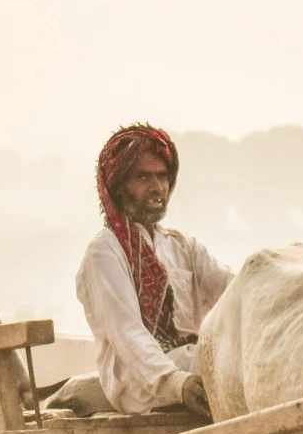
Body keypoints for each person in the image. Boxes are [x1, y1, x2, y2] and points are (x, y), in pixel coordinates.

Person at [73, 124, 231, 417]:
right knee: (231, 361)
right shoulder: (104, 252)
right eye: (143, 177)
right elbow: (127, 334)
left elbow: (232, 290)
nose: (157, 187)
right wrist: (176, 383)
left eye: (162, 177)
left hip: (188, 362)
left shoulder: (183, 246)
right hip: (138, 385)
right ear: (119, 186)